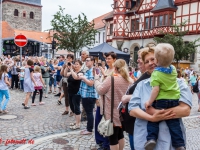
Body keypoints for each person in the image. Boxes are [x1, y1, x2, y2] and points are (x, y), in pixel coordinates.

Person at [128, 47, 192, 150]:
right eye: (147, 61)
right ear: (144, 65)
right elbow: (132, 109)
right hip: (145, 140)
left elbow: (185, 110)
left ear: (159, 59)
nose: (150, 63)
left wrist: (154, 111)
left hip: (170, 142)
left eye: (153, 59)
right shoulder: (141, 85)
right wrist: (152, 118)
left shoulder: (179, 83)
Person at [144, 44, 184, 150]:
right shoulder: (174, 69)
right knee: (174, 123)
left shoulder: (156, 74)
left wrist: (149, 102)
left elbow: (155, 90)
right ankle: (179, 144)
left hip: (161, 101)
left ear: (156, 60)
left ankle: (151, 138)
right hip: (175, 100)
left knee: (154, 120)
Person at [94, 59, 132, 150]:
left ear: (115, 68)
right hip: (122, 112)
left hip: (111, 113)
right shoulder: (128, 79)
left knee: (113, 138)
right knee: (120, 135)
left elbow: (100, 90)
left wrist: (96, 80)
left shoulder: (111, 79)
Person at [121, 47, 149, 150]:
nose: (138, 60)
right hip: (133, 123)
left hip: (138, 124)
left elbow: (153, 96)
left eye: (141, 58)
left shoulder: (154, 77)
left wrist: (129, 97)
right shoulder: (145, 75)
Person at [95, 51, 117, 150]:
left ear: (114, 60)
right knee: (99, 121)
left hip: (109, 101)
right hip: (101, 99)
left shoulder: (115, 71)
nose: (107, 60)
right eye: (106, 58)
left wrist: (104, 75)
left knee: (108, 123)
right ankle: (100, 141)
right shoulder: (107, 69)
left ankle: (106, 144)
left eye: (109, 58)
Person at [77, 56, 98, 135]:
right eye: (86, 61)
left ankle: (89, 129)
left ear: (92, 61)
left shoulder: (93, 70)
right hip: (85, 94)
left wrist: (83, 77)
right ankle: (88, 128)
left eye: (88, 61)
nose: (86, 62)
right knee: (88, 112)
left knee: (89, 112)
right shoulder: (88, 70)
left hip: (89, 95)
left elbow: (91, 83)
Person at [68, 60, 83, 129]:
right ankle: (76, 121)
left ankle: (78, 124)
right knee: (72, 107)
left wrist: (71, 69)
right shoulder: (72, 72)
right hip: (70, 91)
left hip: (76, 92)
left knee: (76, 107)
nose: (75, 65)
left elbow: (75, 77)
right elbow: (64, 74)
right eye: (75, 64)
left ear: (80, 65)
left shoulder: (81, 73)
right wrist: (66, 67)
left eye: (77, 64)